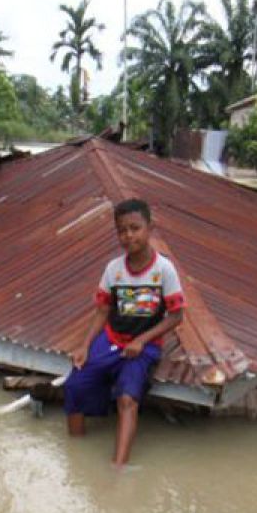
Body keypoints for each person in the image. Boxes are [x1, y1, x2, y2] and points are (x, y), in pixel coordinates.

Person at [64, 198, 185, 467]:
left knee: (127, 399)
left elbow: (177, 316)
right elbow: (102, 311)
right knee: (74, 385)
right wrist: (85, 345)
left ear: (149, 228)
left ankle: (117, 469)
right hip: (112, 340)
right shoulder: (114, 269)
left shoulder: (164, 270)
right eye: (122, 230)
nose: (128, 235)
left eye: (135, 228)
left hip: (146, 344)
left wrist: (142, 340)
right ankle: (76, 455)